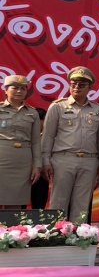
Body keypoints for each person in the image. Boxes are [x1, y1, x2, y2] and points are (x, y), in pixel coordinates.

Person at [42, 66, 99, 222]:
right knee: (58, 201)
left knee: (82, 203)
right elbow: (48, 136)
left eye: (82, 84)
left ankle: (78, 239)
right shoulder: (58, 106)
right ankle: (54, 237)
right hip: (63, 159)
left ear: (90, 88)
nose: (77, 87)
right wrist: (45, 161)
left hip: (89, 160)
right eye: (74, 84)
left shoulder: (98, 110)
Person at [0, 75, 41, 209]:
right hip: (2, 156)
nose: (19, 91)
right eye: (15, 88)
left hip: (23, 161)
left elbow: (36, 142)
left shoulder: (32, 113)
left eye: (23, 88)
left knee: (16, 203)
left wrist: (36, 166)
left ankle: (13, 230)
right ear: (5, 90)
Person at [30, 107, 49, 209]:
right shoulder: (24, 134)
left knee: (39, 207)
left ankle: (38, 224)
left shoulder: (49, 136)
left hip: (41, 175)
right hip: (23, 172)